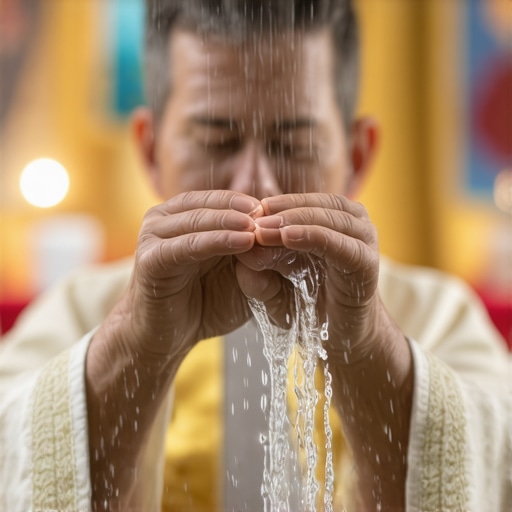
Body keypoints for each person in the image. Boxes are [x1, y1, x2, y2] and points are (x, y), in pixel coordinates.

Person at [0, 1, 510, 510]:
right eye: (216, 141)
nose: (255, 185)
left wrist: (369, 352)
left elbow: (492, 458)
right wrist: (134, 351)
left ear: (357, 156)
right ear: (151, 150)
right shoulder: (79, 312)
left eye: (294, 144)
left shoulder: (439, 315)